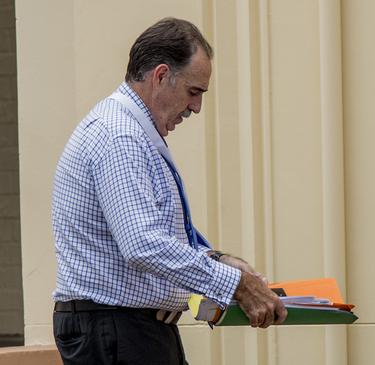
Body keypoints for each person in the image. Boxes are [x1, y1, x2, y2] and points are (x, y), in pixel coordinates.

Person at [51, 17, 287, 364]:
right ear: (161, 76)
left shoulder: (129, 131)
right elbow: (143, 245)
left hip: (129, 329)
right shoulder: (120, 135)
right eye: (194, 92)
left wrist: (217, 260)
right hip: (118, 330)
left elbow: (152, 233)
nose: (196, 107)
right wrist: (234, 283)